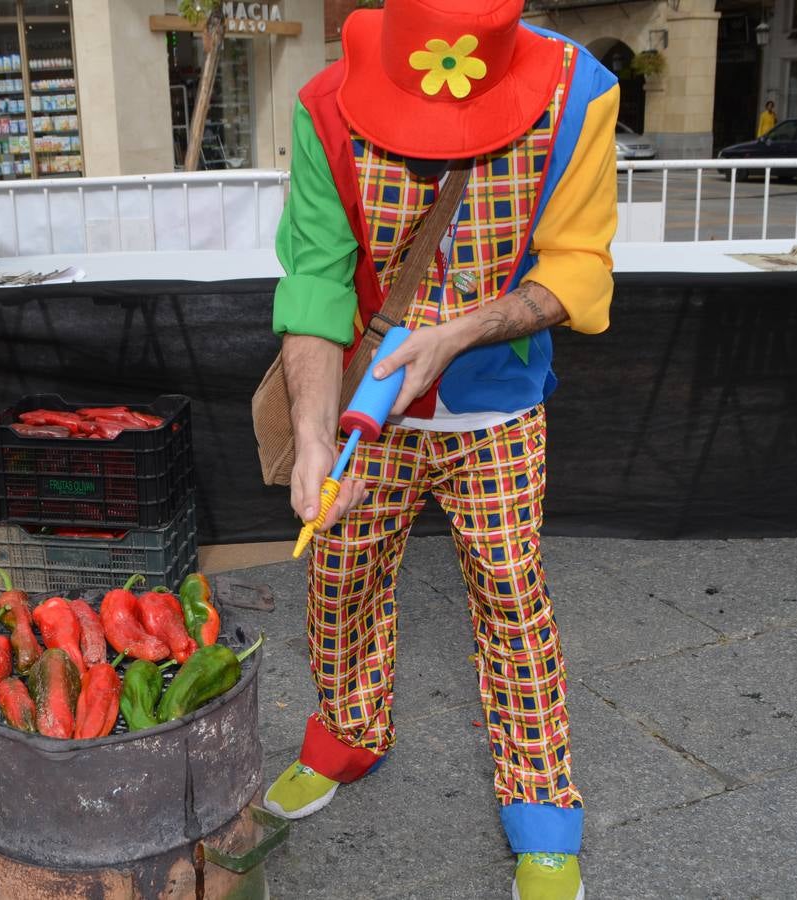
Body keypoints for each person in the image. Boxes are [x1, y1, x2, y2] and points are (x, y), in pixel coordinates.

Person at [260, 1, 616, 898]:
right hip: (364, 418)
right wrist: (310, 436)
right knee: (338, 576)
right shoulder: (325, 104)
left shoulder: (580, 95)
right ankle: (348, 734)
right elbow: (315, 278)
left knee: (510, 593)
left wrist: (460, 334)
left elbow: (579, 267)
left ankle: (540, 806)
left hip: (496, 410)